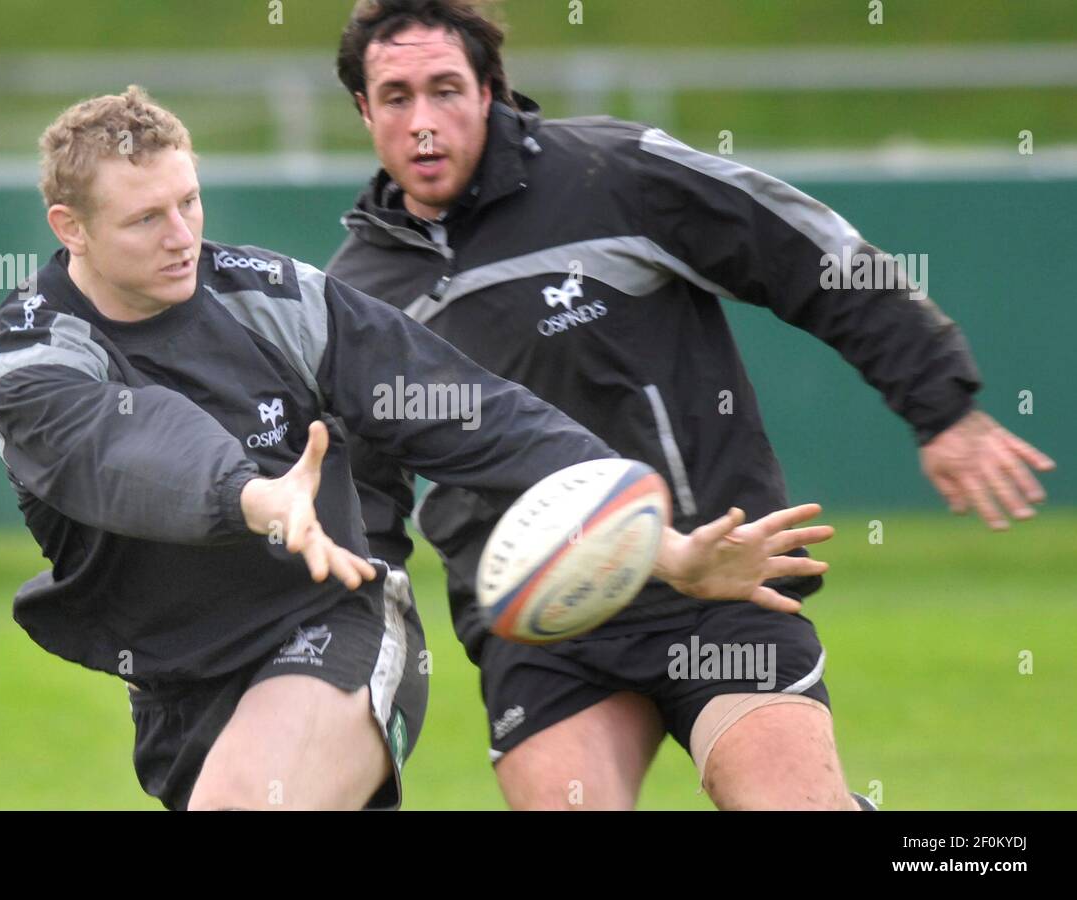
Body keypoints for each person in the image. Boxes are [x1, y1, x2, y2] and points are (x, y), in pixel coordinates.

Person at [0, 85, 833, 811]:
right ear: (71, 227)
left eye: (189, 201)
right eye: (145, 219)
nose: (182, 236)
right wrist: (254, 495)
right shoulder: (33, 362)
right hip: (175, 684)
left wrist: (663, 545)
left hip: (327, 624)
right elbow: (128, 445)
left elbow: (479, 416)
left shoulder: (277, 300)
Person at [325, 0, 1056, 810]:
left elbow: (809, 252)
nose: (424, 123)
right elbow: (363, 507)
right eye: (396, 98)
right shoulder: (358, 295)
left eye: (446, 90)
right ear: (363, 108)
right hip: (544, 618)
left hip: (716, 582)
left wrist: (939, 403)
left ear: (491, 90)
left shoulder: (613, 176)